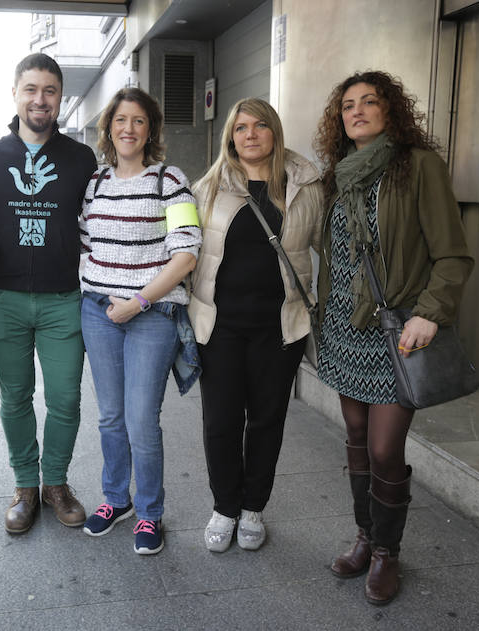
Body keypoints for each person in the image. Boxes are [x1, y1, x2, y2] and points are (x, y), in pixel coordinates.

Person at [313, 71, 473, 605]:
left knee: (385, 448)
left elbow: (452, 253)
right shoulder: (338, 175)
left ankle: (387, 553)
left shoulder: (418, 166)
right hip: (343, 328)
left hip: (397, 330)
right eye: (348, 105)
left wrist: (431, 313)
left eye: (370, 102)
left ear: (390, 111)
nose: (357, 111)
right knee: (356, 439)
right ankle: (365, 536)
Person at [189, 98, 324, 553]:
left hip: (280, 327)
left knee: (268, 419)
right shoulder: (206, 188)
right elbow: (183, 252)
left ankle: (253, 508)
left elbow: (333, 245)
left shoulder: (306, 185)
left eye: (260, 126)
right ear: (231, 136)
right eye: (241, 127)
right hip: (219, 326)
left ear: (274, 131)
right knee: (221, 421)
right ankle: (225, 506)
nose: (250, 134)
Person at [79, 87, 201, 555]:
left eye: (139, 121)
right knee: (110, 418)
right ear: (109, 126)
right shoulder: (95, 183)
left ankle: (149, 512)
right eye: (121, 120)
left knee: (140, 421)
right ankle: (116, 500)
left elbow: (186, 252)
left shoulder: (170, 180)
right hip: (97, 311)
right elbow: (85, 241)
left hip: (151, 314)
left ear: (151, 130)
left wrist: (138, 301)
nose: (128, 128)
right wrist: (103, 291)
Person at [0, 53, 97, 534]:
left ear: (60, 97)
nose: (40, 99)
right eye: (31, 89)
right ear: (15, 93)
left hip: (62, 298)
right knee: (15, 397)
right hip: (2, 298)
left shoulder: (80, 158)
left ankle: (57, 484)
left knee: (66, 399)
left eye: (49, 90)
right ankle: (26, 485)